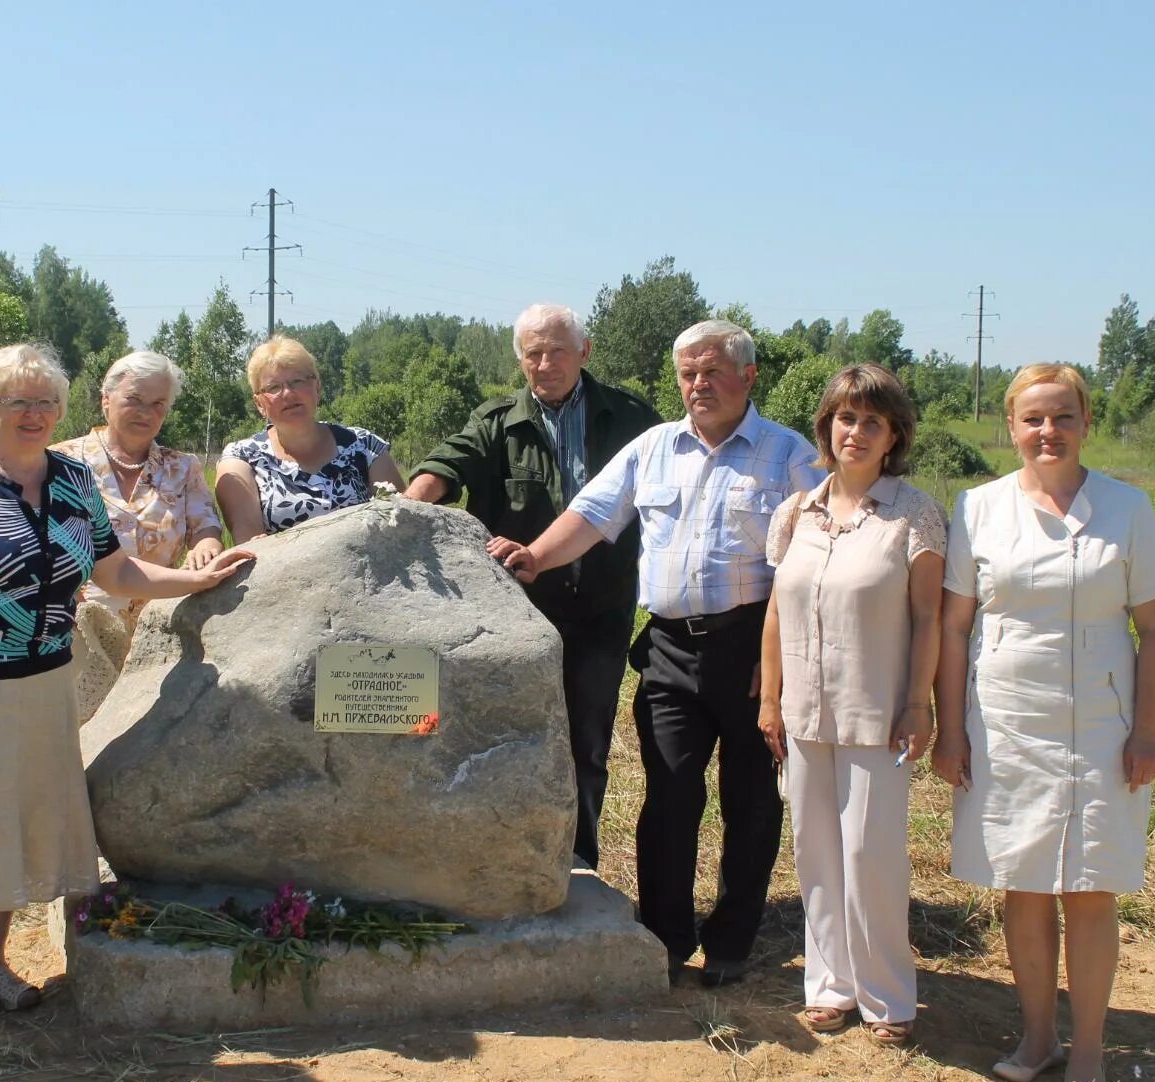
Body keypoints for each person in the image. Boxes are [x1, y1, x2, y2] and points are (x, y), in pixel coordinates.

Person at [0, 343, 253, 1029]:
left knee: (16, 820)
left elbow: (117, 574)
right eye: (17, 401)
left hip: (43, 679)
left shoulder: (71, 482)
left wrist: (198, 580)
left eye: (45, 401)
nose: (34, 414)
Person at [495, 319, 823, 987]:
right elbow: (591, 515)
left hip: (757, 650)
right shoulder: (653, 449)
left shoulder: (790, 457)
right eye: (687, 373)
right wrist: (534, 557)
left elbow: (819, 560)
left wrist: (788, 659)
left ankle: (731, 942)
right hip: (670, 650)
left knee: (752, 801)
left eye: (712, 371)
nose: (698, 384)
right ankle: (668, 937)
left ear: (748, 377)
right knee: (669, 795)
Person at [933, 363, 1155, 1082]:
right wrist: (951, 732)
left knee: (1091, 887)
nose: (1048, 431)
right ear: (1010, 426)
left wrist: (1149, 733)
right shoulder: (978, 508)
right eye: (1033, 418)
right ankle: (1038, 1035)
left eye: (1062, 416)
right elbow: (952, 627)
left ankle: (1090, 1052)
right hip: (1007, 725)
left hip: (1104, 728)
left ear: (1084, 423)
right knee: (1025, 884)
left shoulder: (1127, 509)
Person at [405, 304, 659, 870]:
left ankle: (579, 864)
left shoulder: (631, 418)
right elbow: (448, 464)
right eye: (533, 354)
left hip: (600, 612)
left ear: (584, 352)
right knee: (506, 740)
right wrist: (408, 505)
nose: (544, 364)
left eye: (556, 351)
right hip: (515, 616)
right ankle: (506, 862)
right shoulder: (497, 421)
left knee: (586, 746)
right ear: (519, 359)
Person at [757, 364, 945, 1045]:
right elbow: (778, 609)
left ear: (894, 435)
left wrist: (919, 704)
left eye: (872, 421)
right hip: (803, 712)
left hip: (877, 712)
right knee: (815, 851)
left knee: (872, 855)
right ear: (826, 427)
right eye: (845, 418)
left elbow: (928, 617)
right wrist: (770, 697)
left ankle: (889, 997)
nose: (856, 432)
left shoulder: (914, 514)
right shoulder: (796, 511)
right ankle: (830, 985)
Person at [51, 351, 224, 719]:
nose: (146, 412)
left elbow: (206, 523)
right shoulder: (58, 462)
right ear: (106, 400)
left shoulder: (183, 466)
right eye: (134, 399)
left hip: (158, 638)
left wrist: (207, 544)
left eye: (158, 404)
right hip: (74, 636)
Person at [215, 335, 404, 540]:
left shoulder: (365, 446)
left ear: (317, 388)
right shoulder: (241, 457)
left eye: (297, 381)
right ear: (259, 404)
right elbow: (247, 541)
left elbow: (400, 521)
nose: (288, 393)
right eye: (273, 388)